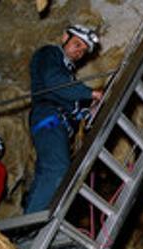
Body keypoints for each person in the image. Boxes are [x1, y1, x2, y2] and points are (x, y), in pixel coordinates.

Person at [24, 24, 104, 213]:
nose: (80, 52)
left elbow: (69, 102)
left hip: (58, 122)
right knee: (58, 169)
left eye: (84, 51)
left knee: (46, 173)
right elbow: (54, 82)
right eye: (77, 44)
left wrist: (86, 113)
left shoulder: (67, 74)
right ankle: (29, 225)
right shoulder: (49, 54)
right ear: (64, 38)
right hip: (49, 117)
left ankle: (27, 221)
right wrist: (91, 93)